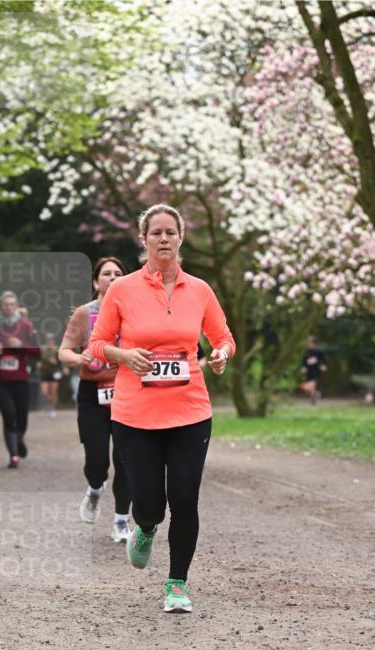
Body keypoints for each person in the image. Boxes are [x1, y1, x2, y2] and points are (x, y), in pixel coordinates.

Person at [87, 203, 236, 612]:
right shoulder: (123, 289)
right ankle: (146, 526)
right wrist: (124, 355)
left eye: (171, 232)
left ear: (181, 237)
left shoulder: (200, 290)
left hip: (190, 410)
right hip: (136, 414)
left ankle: (177, 585)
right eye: (156, 233)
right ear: (144, 239)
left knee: (185, 498)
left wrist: (220, 354)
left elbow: (223, 337)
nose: (164, 239)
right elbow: (97, 344)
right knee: (150, 502)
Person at [58, 257, 132, 543]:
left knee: (126, 459)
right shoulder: (84, 314)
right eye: (106, 273)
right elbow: (63, 351)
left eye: (117, 273)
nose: (112, 278)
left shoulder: (134, 313)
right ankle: (94, 489)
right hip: (92, 395)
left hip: (126, 393)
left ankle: (121, 521)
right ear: (95, 281)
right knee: (97, 460)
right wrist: (80, 357)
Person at [0, 290, 40, 468]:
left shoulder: (26, 326)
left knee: (22, 416)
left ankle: (18, 439)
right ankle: (13, 455)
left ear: (17, 306)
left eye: (12, 304)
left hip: (21, 379)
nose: (9, 308)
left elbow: (37, 352)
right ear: (0, 307)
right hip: (2, 381)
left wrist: (22, 345)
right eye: (6, 305)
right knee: (8, 415)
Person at [38, 334, 64, 417]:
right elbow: (39, 359)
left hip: (54, 373)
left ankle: (53, 409)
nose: (50, 342)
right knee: (44, 392)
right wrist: (39, 364)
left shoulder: (57, 350)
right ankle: (49, 405)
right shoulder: (43, 350)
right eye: (48, 340)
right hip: (45, 373)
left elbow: (61, 361)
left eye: (51, 340)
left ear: (53, 341)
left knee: (54, 392)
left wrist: (57, 362)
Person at [300, 336, 327, 404]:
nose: (309, 344)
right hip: (309, 371)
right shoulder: (306, 352)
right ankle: (316, 394)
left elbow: (324, 359)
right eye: (308, 343)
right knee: (306, 388)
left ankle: (313, 400)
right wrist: (303, 367)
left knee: (312, 385)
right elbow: (304, 361)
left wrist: (323, 365)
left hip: (316, 371)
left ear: (314, 344)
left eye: (311, 343)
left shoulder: (318, 352)